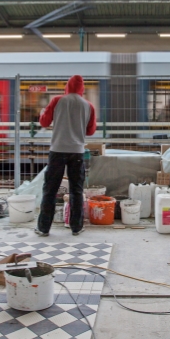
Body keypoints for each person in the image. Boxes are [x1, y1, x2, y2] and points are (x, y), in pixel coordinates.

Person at [35, 75, 97, 236]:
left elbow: (44, 122)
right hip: (77, 151)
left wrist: (43, 113)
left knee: (50, 189)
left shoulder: (57, 100)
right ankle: (76, 227)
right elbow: (90, 131)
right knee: (76, 190)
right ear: (82, 89)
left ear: (67, 86)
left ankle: (43, 228)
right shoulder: (88, 105)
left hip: (57, 150)